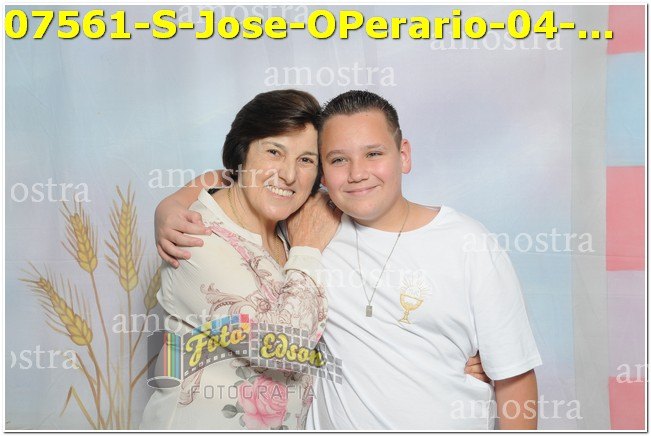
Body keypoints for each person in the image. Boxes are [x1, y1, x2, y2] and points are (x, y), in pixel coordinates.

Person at [156, 91, 537, 430]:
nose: (357, 174)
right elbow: (239, 179)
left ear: (403, 155)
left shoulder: (468, 243)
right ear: (327, 173)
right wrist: (171, 206)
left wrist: (452, 362)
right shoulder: (301, 229)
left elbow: (515, 377)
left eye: (374, 154)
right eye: (339, 159)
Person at [140, 89, 341, 430]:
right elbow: (280, 348)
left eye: (306, 160)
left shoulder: (289, 225)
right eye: (274, 151)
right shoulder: (197, 239)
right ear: (242, 153)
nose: (289, 175)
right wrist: (308, 249)